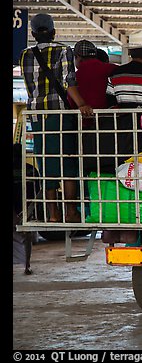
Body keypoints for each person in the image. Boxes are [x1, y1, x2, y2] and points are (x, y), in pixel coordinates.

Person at [18, 13, 86, 223]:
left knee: (46, 163)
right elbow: (69, 82)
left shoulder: (24, 55)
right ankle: (71, 211)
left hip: (37, 116)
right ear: (54, 32)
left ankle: (53, 214)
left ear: (32, 33)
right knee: (67, 162)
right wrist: (82, 104)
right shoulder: (63, 50)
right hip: (59, 113)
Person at [69, 39, 117, 127]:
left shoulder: (73, 78)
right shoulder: (113, 69)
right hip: (111, 124)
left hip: (84, 127)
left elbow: (71, 103)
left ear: (77, 57)